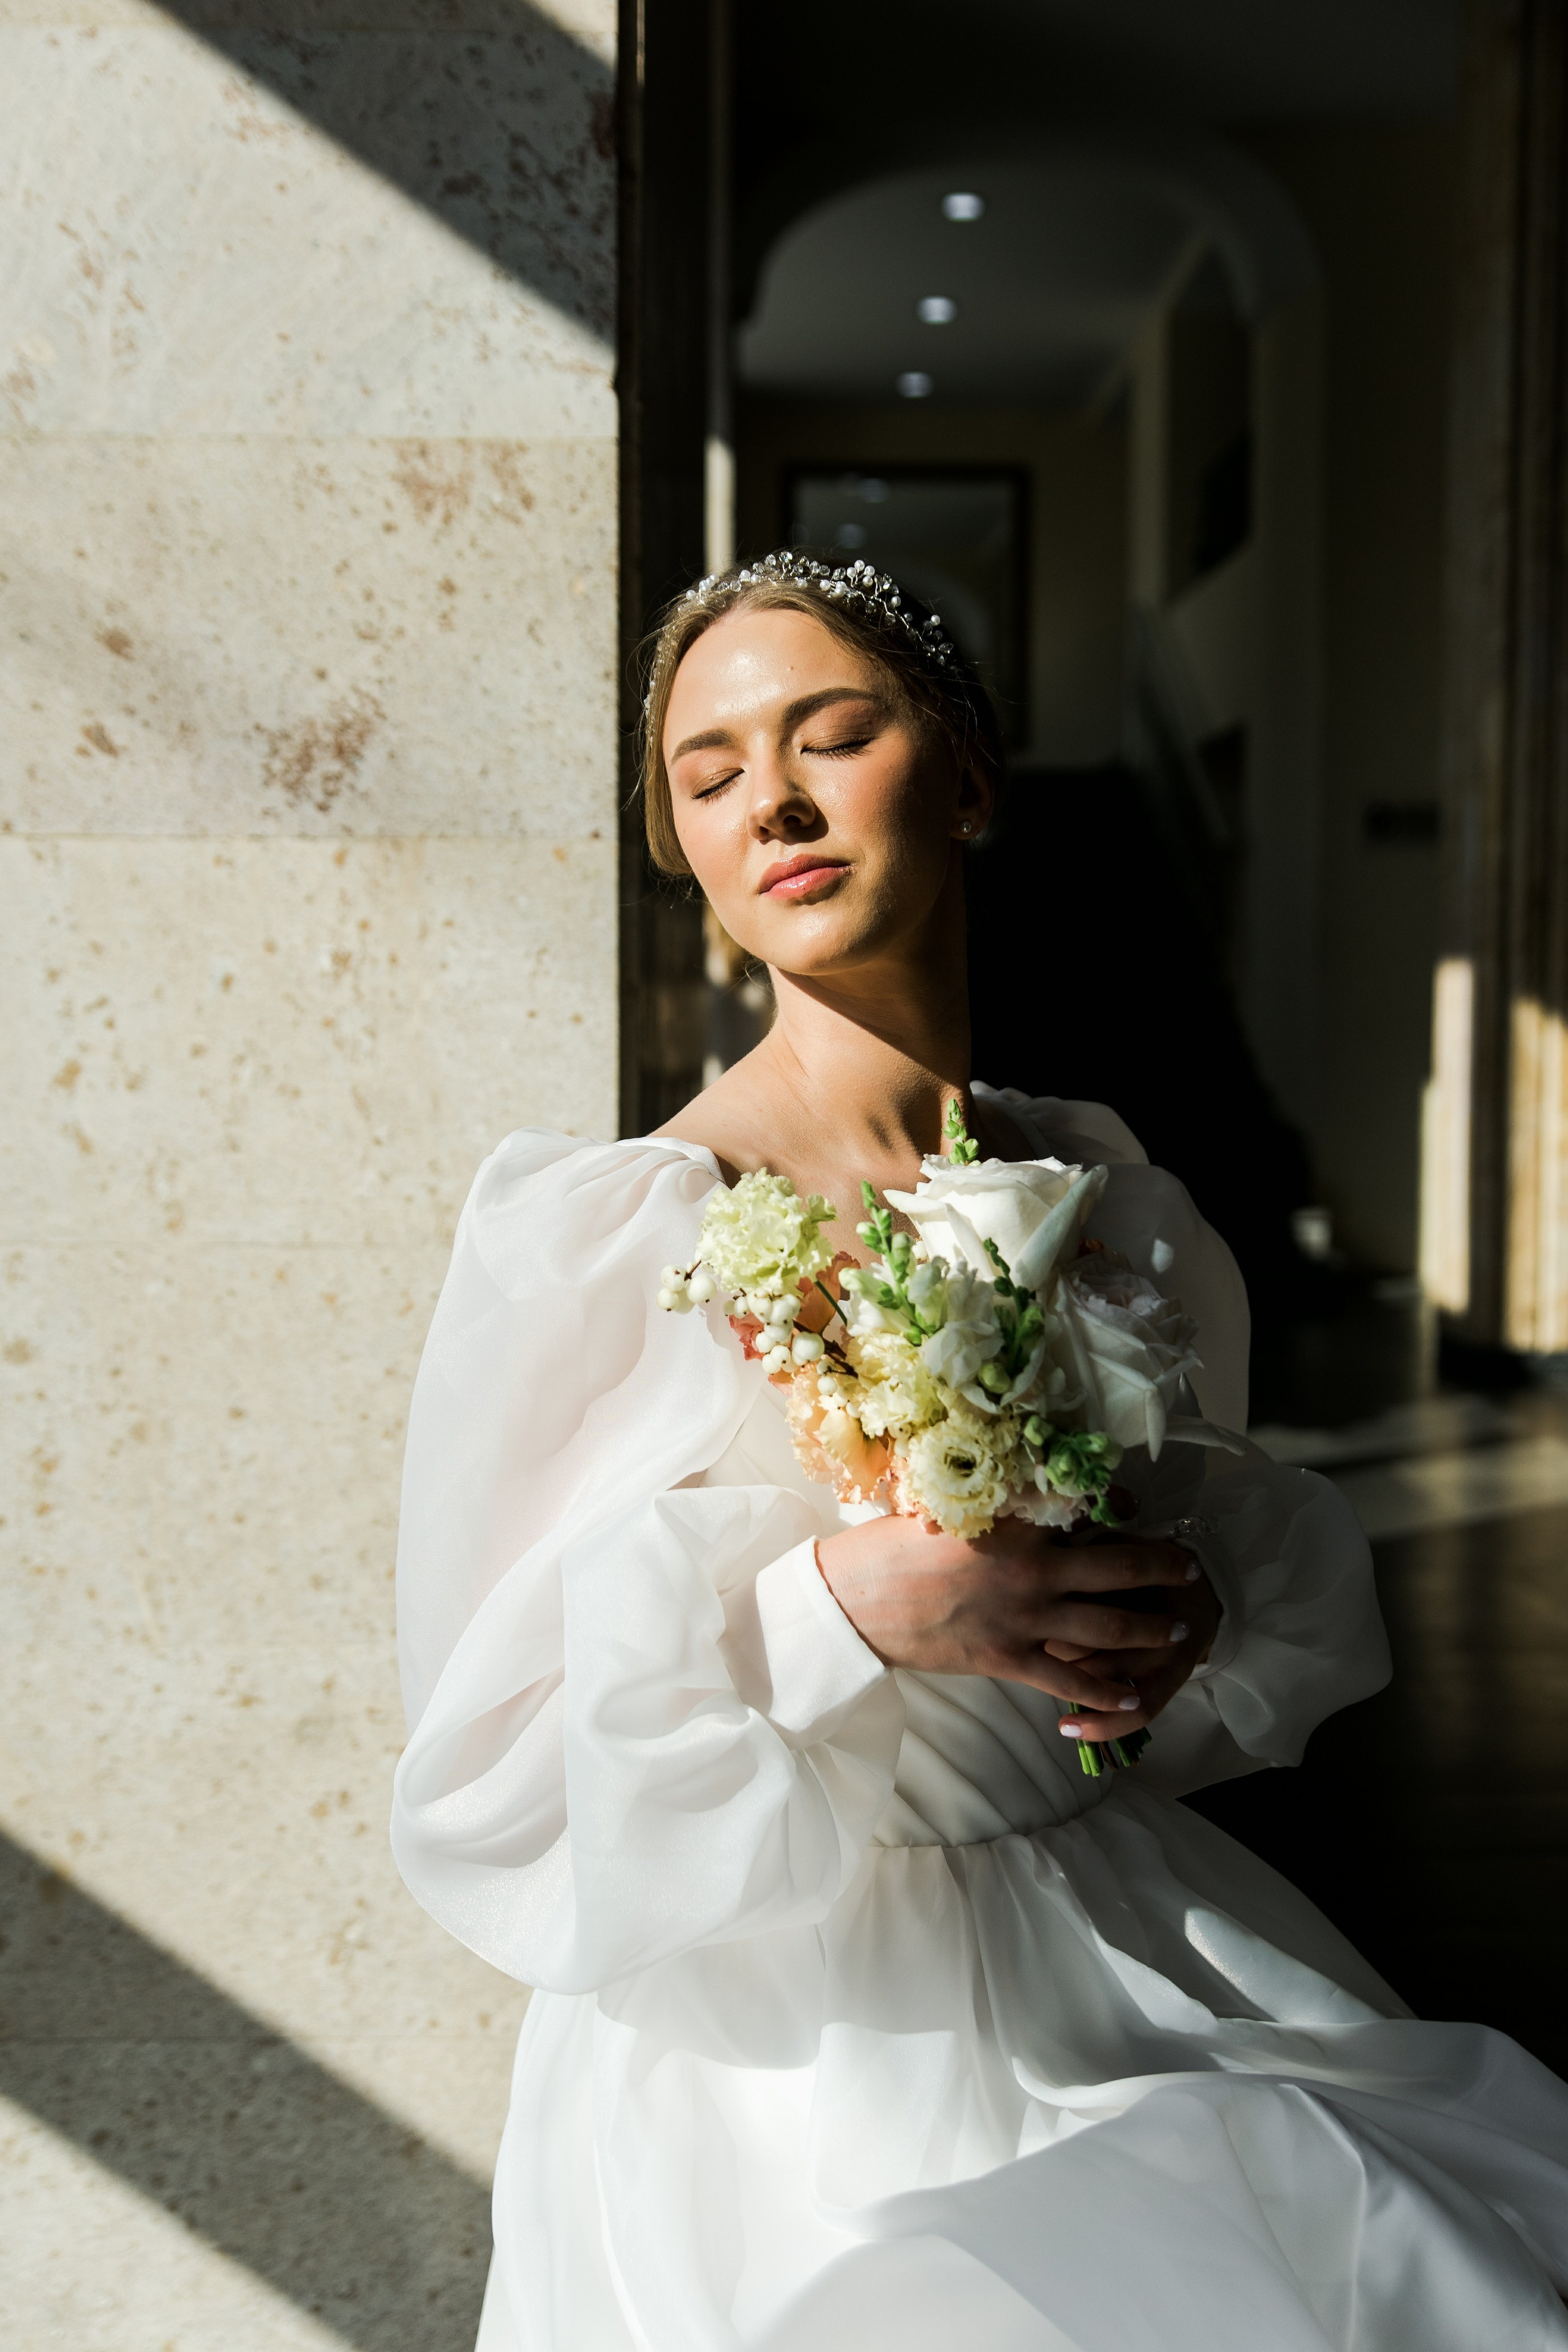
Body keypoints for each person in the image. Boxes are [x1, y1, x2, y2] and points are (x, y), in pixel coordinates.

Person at [391, 554, 1568, 2350]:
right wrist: (845, 1605)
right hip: (788, 2053)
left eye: (832, 734)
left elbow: (1191, 1609)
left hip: (1104, 1928)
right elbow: (490, 1761)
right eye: (706, 777)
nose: (768, 800)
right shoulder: (613, 1234)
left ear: (963, 772)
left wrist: (1170, 1627)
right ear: (682, 848)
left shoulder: (1109, 1191)